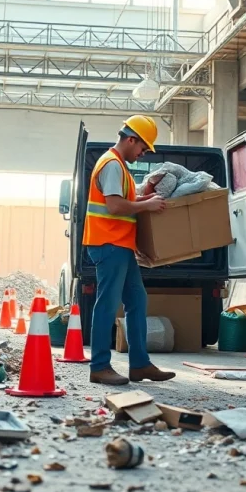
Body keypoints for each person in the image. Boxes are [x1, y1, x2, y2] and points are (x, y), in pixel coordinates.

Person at [82, 115, 175, 386]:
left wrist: (144, 199)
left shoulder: (119, 165)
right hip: (108, 244)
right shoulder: (112, 165)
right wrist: (145, 206)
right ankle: (99, 366)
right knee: (107, 306)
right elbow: (114, 206)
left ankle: (140, 365)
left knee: (137, 301)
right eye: (143, 148)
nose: (143, 153)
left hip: (120, 246)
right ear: (131, 139)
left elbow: (126, 200)